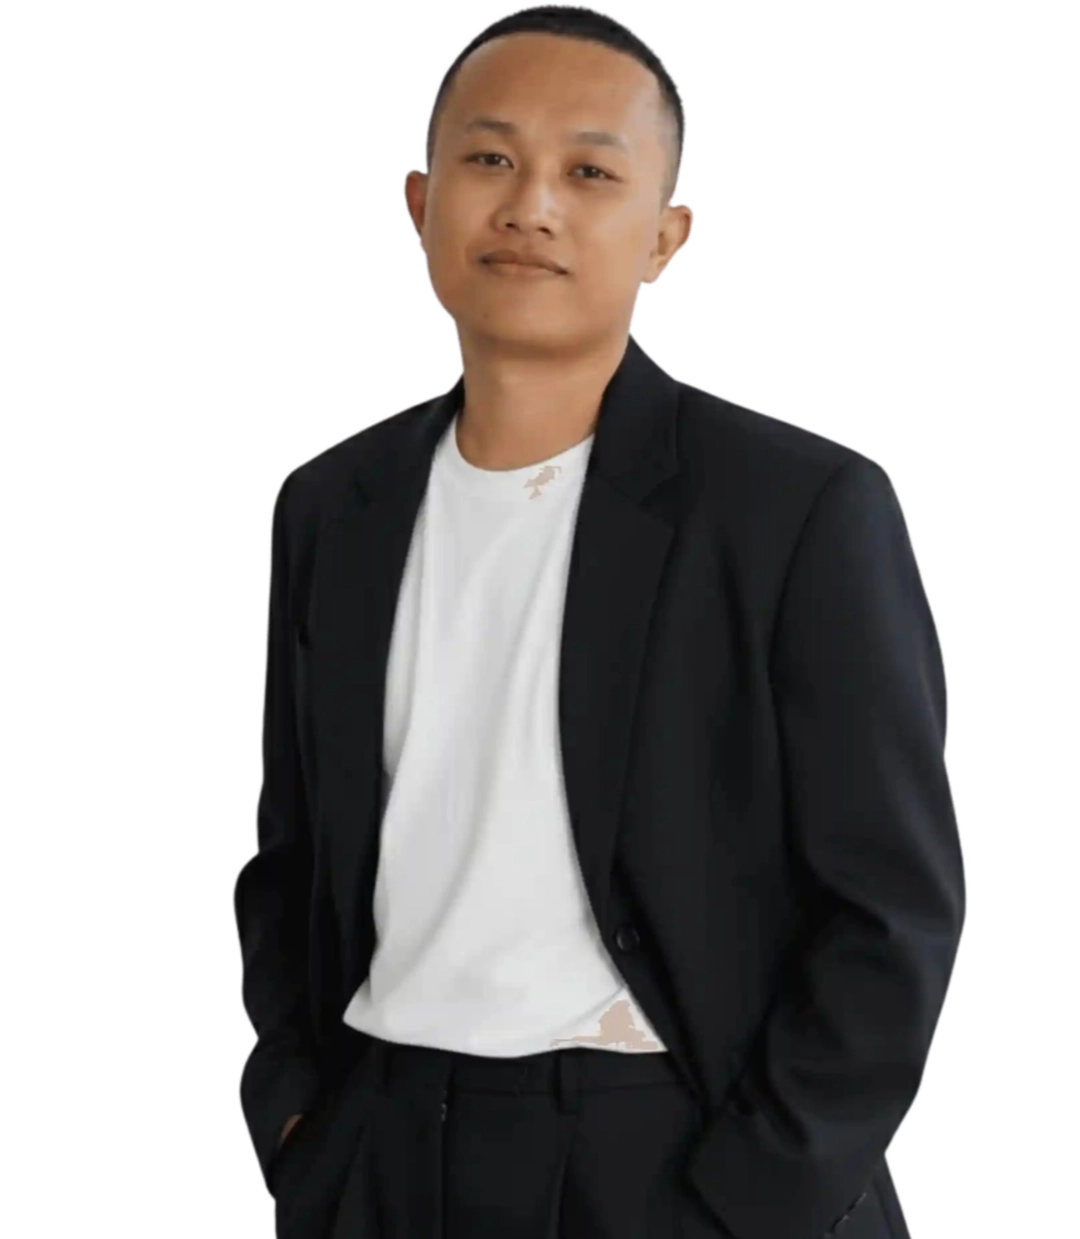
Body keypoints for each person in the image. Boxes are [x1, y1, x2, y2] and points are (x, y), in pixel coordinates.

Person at [235, 6, 965, 1237]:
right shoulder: (333, 503)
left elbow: (893, 907)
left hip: (666, 1151)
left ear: (667, 236)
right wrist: (293, 1118)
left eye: (588, 172)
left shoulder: (792, 504)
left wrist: (756, 1195)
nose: (530, 205)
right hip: (380, 1141)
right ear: (418, 201)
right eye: (489, 158)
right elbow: (286, 852)